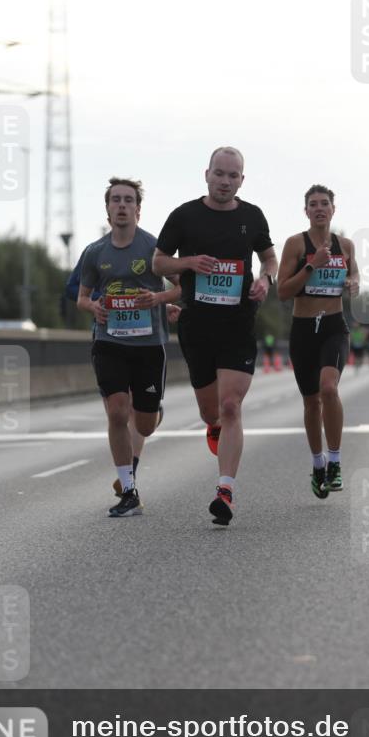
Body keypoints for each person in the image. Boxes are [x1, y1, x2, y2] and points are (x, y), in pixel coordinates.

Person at [152, 146, 277, 526]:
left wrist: (265, 279)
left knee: (231, 406)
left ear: (242, 179)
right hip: (197, 325)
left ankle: (225, 491)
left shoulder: (252, 216)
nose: (225, 181)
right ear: (206, 174)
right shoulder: (184, 216)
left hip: (237, 323)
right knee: (211, 411)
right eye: (219, 174)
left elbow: (269, 257)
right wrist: (189, 262)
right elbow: (158, 261)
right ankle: (213, 427)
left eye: (233, 176)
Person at [77, 177, 181, 517]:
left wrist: (159, 298)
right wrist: (94, 307)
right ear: (107, 209)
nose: (122, 205)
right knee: (117, 411)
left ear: (138, 208)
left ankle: (153, 411)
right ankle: (129, 491)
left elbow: (184, 286)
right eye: (115, 200)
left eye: (128, 200)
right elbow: (82, 298)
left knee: (145, 424)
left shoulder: (154, 249)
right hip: (109, 342)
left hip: (149, 345)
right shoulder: (95, 252)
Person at [277, 184, 359, 499]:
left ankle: (335, 460)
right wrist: (313, 265)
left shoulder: (346, 245)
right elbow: (283, 291)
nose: (320, 208)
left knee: (329, 389)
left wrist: (353, 283)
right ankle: (317, 463)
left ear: (333, 210)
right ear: (307, 211)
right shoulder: (296, 244)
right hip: (303, 329)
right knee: (311, 401)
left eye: (325, 203)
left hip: (334, 326)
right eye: (314, 204)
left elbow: (354, 277)